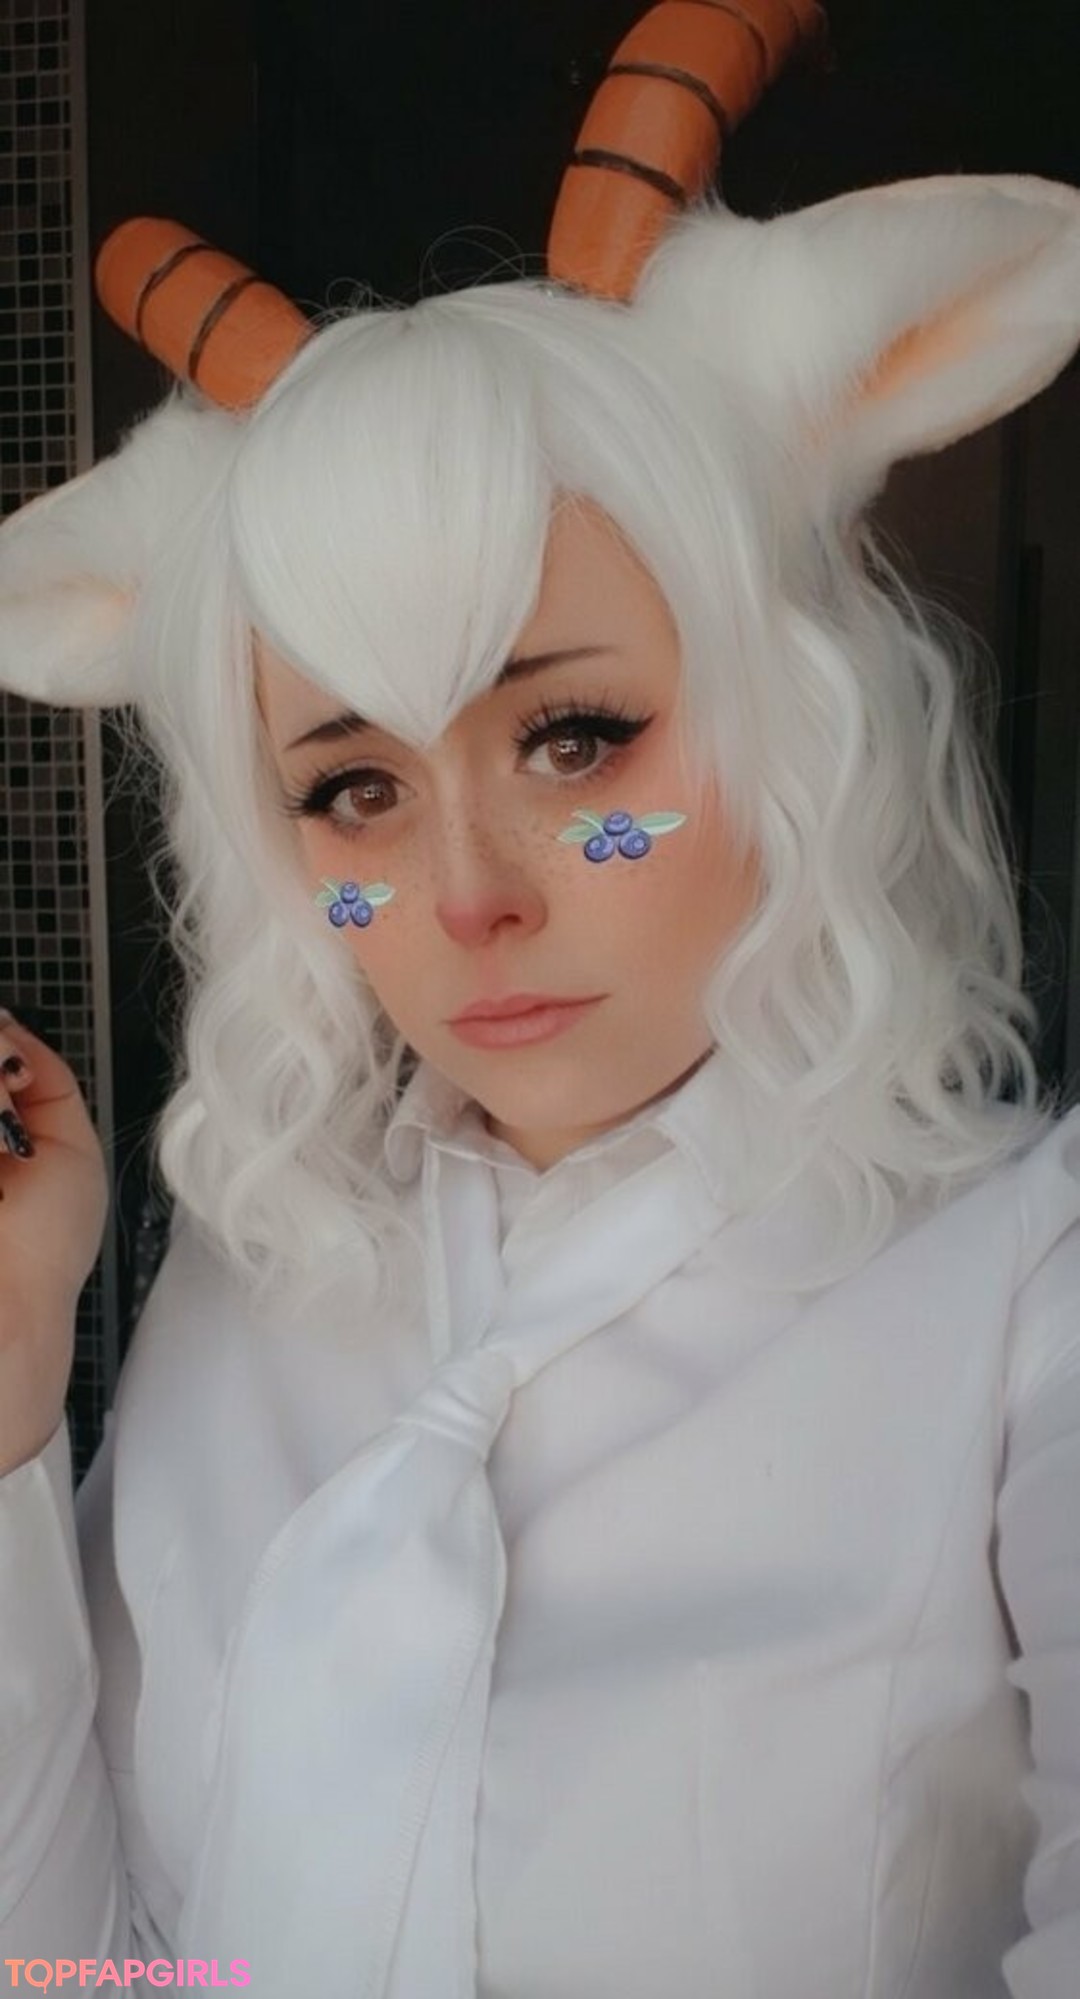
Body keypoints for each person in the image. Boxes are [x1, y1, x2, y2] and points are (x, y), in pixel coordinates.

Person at [2, 35, 1080, 1993]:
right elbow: (92, 1977)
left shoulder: (1029, 1300)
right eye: (355, 787)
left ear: (789, 714)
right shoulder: (248, 1295)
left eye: (576, 739)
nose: (467, 891)